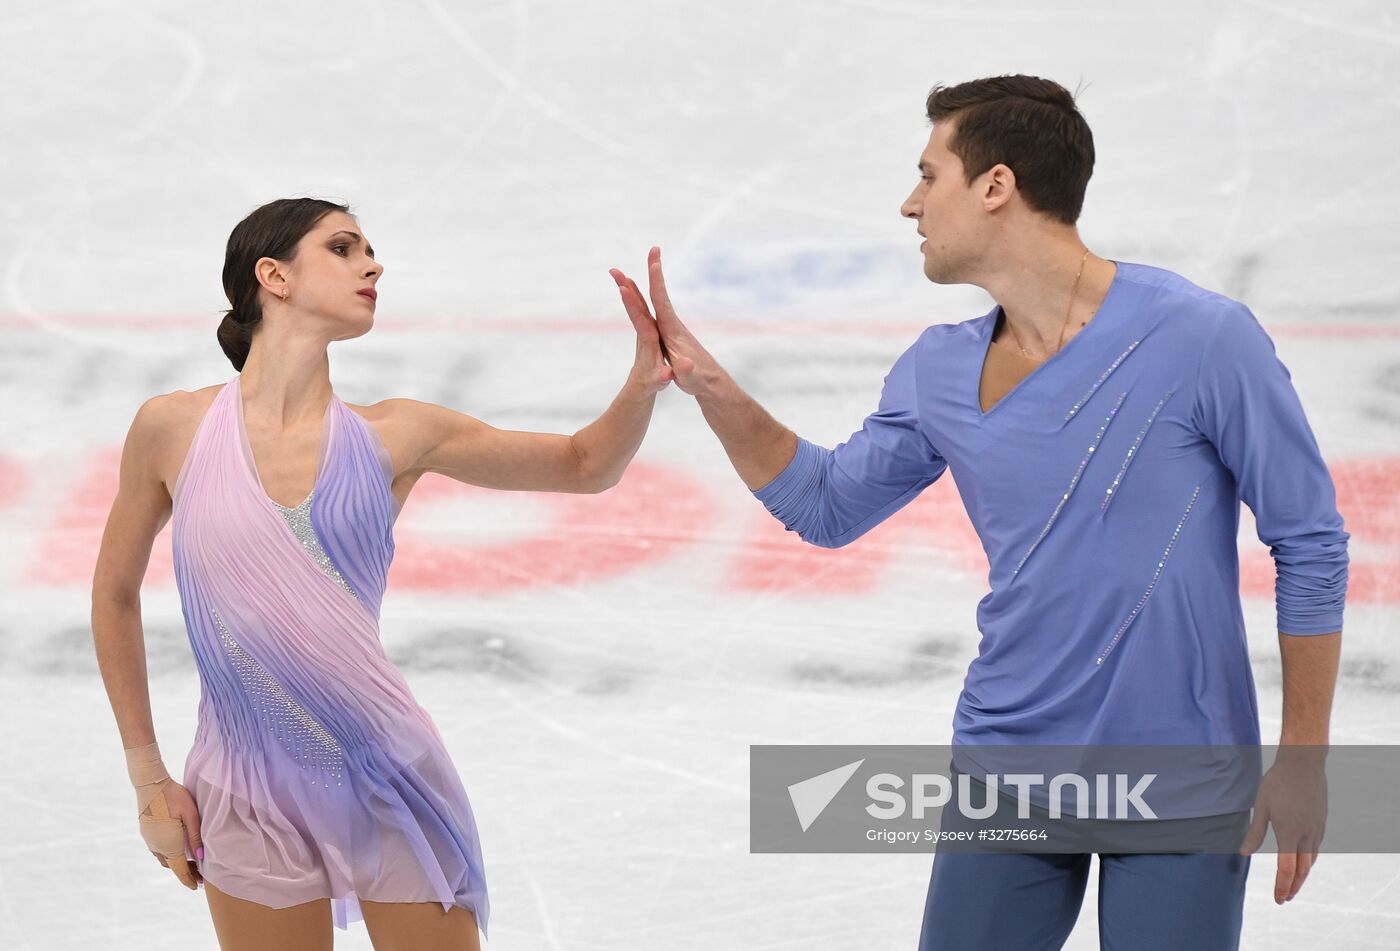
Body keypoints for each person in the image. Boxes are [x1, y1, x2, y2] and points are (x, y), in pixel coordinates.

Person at [608, 75, 1348, 950]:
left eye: (930, 175)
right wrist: (710, 386)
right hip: (1008, 766)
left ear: (996, 185)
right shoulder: (938, 370)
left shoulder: (1203, 339)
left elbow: (1310, 540)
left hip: (1180, 776)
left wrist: (1303, 757)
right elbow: (826, 503)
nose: (909, 203)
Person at [91, 197, 674, 951]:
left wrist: (643, 378)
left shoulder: (398, 433)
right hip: (243, 784)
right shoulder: (171, 427)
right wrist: (147, 779)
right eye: (343, 248)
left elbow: (585, 464)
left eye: (367, 248)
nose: (374, 263)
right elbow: (112, 594)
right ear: (274, 276)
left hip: (387, 773)